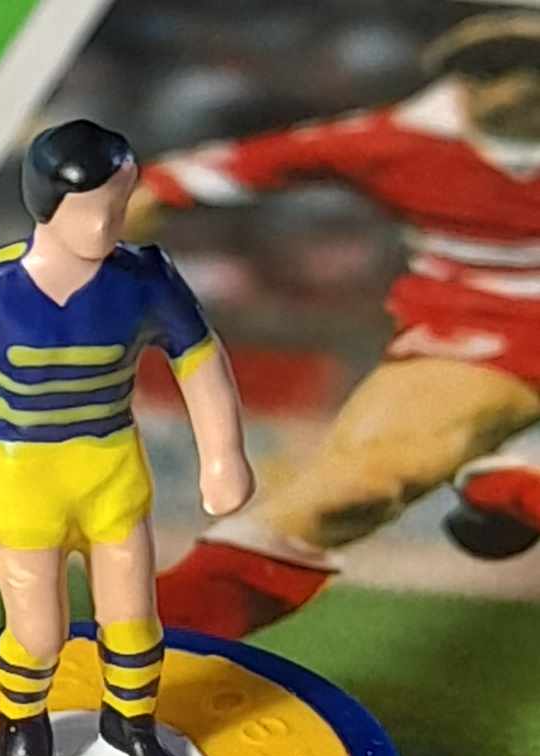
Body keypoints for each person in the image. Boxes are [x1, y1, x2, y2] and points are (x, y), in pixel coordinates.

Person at [135, 10, 540, 637]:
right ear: (458, 82)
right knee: (353, 492)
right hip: (481, 337)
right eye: (489, 69)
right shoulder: (394, 141)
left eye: (531, 67)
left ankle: (519, 477)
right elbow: (177, 183)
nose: (515, 85)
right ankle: (140, 650)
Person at [0, 120, 253, 756]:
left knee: (134, 619)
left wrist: (223, 456)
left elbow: (199, 359)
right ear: (46, 204)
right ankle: (22, 723)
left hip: (111, 473)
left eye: (120, 204)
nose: (108, 224)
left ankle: (130, 722)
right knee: (38, 632)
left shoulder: (144, 278)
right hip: (23, 482)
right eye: (91, 209)